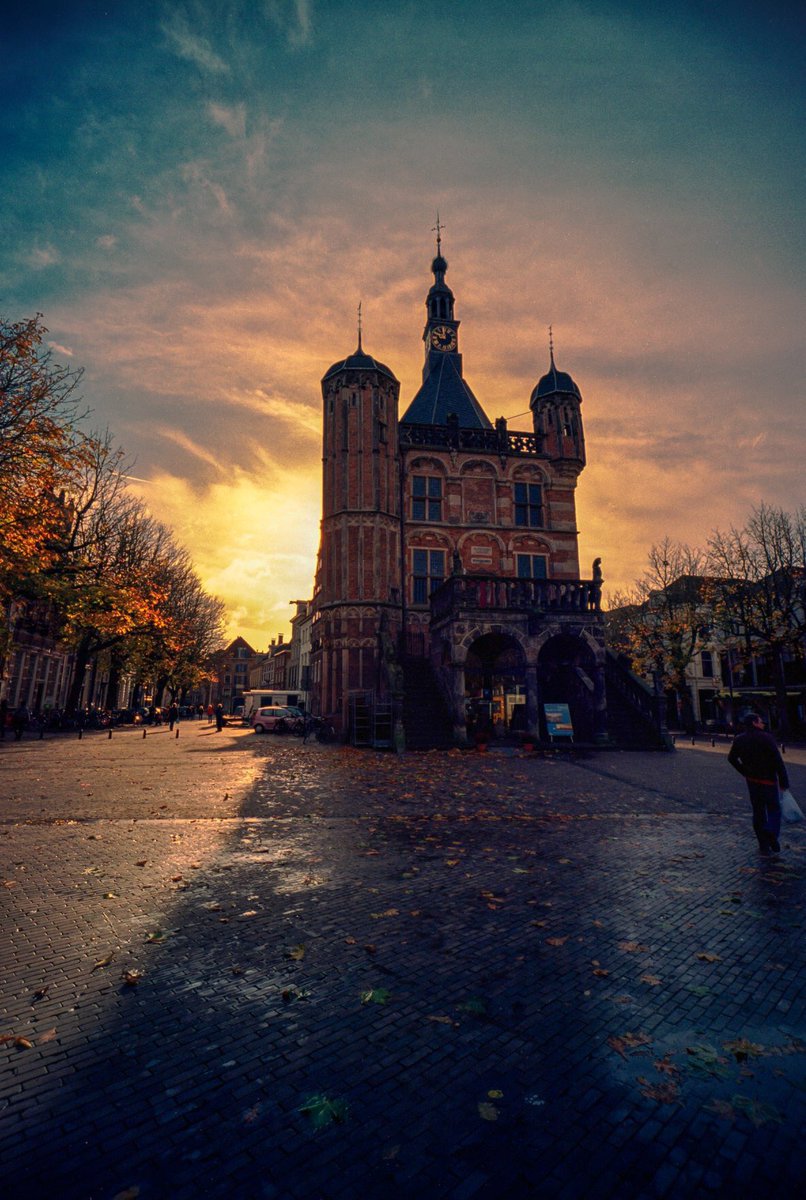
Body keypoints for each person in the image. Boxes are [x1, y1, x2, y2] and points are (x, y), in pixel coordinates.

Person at [728, 712, 789, 855]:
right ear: (755, 723)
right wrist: (783, 781)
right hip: (768, 780)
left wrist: (744, 771)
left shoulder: (739, 739)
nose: (763, 724)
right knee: (774, 809)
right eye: (761, 721)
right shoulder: (766, 738)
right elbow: (777, 761)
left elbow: (731, 758)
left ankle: (763, 844)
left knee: (758, 811)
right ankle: (771, 832)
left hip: (752, 781)